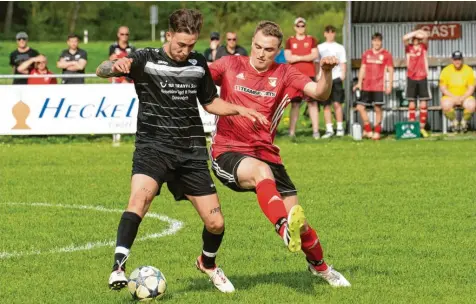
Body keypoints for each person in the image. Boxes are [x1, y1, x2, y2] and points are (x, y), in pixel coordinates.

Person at [96, 8, 267, 293]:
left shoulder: (198, 63)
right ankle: (118, 268)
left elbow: (210, 102)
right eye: (180, 44)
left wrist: (241, 109)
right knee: (139, 200)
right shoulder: (144, 59)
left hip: (190, 152)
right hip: (153, 147)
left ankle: (208, 264)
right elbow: (102, 69)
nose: (185, 50)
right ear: (168, 35)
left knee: (215, 222)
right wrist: (116, 65)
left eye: (191, 45)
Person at [209, 20, 350, 287]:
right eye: (258, 47)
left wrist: (327, 72)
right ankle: (283, 228)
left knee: (301, 223)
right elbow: (196, 75)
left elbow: (320, 93)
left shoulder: (285, 73)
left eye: (269, 50)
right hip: (228, 151)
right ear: (251, 43)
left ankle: (320, 267)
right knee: (264, 179)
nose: (262, 54)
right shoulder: (229, 64)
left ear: (279, 51)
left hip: (267, 154)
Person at [353, 32, 394, 140]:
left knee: (377, 108)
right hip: (366, 85)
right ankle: (368, 128)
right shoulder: (367, 53)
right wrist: (359, 82)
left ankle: (377, 131)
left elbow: (390, 70)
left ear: (381, 42)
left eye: (378, 40)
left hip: (379, 86)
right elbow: (362, 68)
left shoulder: (386, 54)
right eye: (375, 40)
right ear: (372, 41)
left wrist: (390, 85)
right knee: (360, 107)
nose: (376, 43)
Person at [284, 17, 320, 139]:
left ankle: (316, 131)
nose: (300, 28)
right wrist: (305, 56)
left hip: (309, 75)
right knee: (295, 104)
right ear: (295, 27)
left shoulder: (311, 40)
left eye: (302, 26)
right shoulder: (290, 41)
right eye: (298, 26)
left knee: (312, 103)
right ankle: (292, 132)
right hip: (294, 77)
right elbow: (288, 57)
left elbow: (314, 55)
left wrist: (298, 57)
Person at [317, 25, 347, 138]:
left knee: (337, 103)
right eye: (328, 32)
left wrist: (343, 74)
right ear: (325, 34)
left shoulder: (340, 47)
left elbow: (343, 62)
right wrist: (317, 75)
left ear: (335, 34)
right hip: (324, 79)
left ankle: (340, 128)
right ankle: (329, 129)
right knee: (326, 105)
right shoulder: (319, 47)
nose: (330, 34)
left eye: (332, 32)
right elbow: (316, 62)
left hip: (336, 78)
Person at [403, 29, 431, 138]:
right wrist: (415, 32)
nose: (416, 40)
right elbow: (404, 38)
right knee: (411, 103)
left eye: (418, 39)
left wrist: (420, 33)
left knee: (423, 103)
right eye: (414, 39)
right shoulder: (408, 48)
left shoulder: (423, 47)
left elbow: (426, 36)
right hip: (411, 77)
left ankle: (422, 128)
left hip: (422, 76)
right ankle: (412, 127)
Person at [439, 51, 475, 132]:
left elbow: (471, 88)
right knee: (445, 104)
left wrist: (463, 97)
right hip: (450, 96)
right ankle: (454, 123)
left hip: (465, 96)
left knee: (472, 104)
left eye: (459, 59)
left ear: (462, 60)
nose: (457, 61)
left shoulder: (468, 70)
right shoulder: (446, 70)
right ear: (452, 60)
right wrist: (454, 97)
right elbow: (443, 88)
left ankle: (464, 123)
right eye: (455, 59)